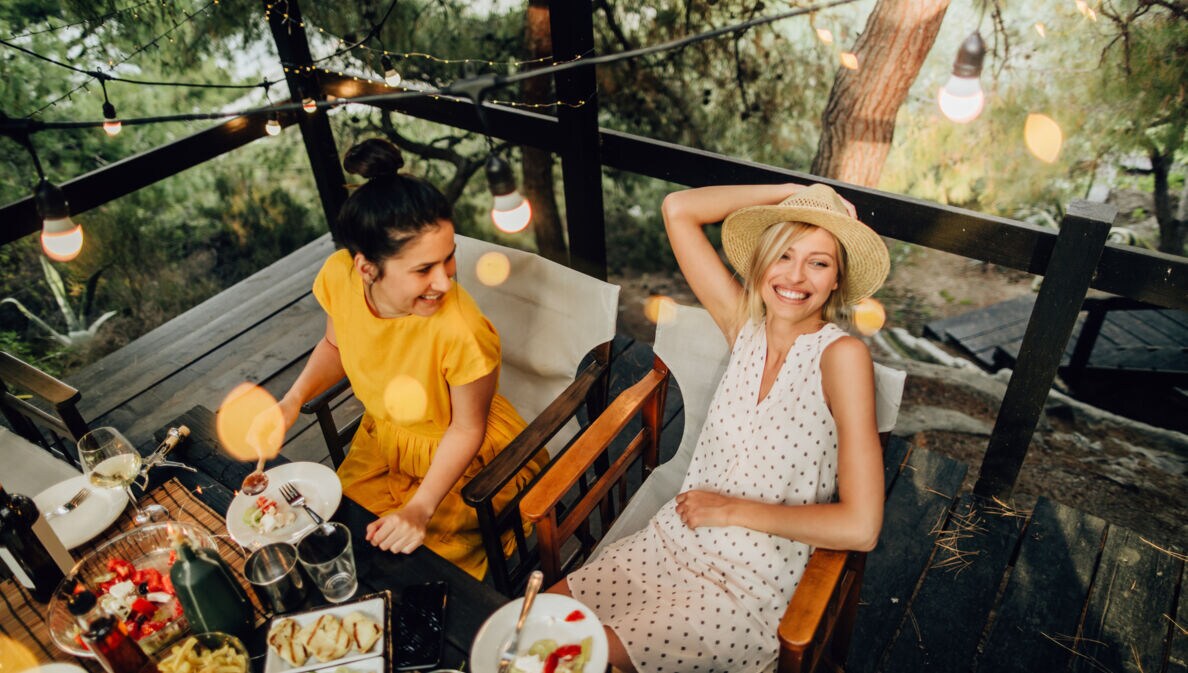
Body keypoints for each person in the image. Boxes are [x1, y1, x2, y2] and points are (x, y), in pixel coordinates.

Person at [552, 183, 891, 672]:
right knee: (539, 624)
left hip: (750, 585)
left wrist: (731, 510)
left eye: (818, 262)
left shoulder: (843, 358)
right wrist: (794, 192)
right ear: (761, 264)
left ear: (837, 279)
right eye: (784, 255)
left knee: (580, 658)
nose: (796, 277)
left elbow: (861, 527)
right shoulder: (744, 326)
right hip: (672, 542)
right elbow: (678, 209)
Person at [268, 138, 545, 579]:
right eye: (422, 269)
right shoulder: (339, 278)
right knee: (339, 530)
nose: (444, 281)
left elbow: (467, 427)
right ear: (366, 268)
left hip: (461, 458)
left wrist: (419, 508)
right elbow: (336, 346)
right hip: (383, 441)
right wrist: (291, 399)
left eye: (449, 258)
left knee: (414, 566)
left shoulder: (461, 328)